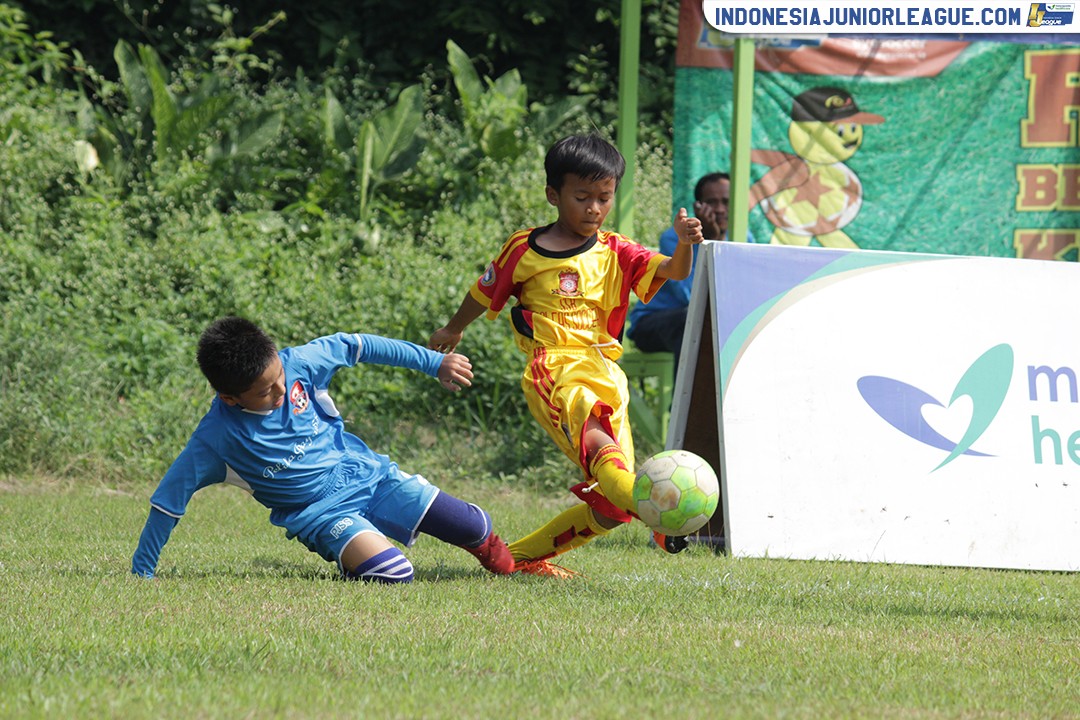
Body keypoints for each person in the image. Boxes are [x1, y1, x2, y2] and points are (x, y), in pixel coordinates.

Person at [428, 134, 704, 576]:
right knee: (601, 450)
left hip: (606, 373)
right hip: (554, 366)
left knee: (613, 509)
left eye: (604, 197)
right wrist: (453, 328)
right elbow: (483, 292)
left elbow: (672, 271)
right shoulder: (524, 249)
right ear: (553, 195)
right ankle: (661, 509)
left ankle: (515, 560)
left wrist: (686, 244)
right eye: (582, 197)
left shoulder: (617, 250)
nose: (594, 208)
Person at [131, 317, 514, 583]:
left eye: (279, 377)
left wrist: (434, 362)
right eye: (265, 392)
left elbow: (359, 345)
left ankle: (513, 568)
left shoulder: (302, 362)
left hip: (369, 476)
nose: (280, 392)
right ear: (229, 398)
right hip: (322, 514)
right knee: (393, 574)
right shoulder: (215, 440)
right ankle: (355, 551)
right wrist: (142, 572)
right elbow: (167, 502)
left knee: (473, 525)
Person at [626, 172, 751, 372]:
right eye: (712, 202)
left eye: (726, 202)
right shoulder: (674, 238)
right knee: (694, 321)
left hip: (708, 323)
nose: (719, 209)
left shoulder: (744, 236)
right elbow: (691, 296)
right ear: (698, 207)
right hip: (655, 321)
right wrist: (710, 242)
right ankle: (686, 403)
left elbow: (743, 292)